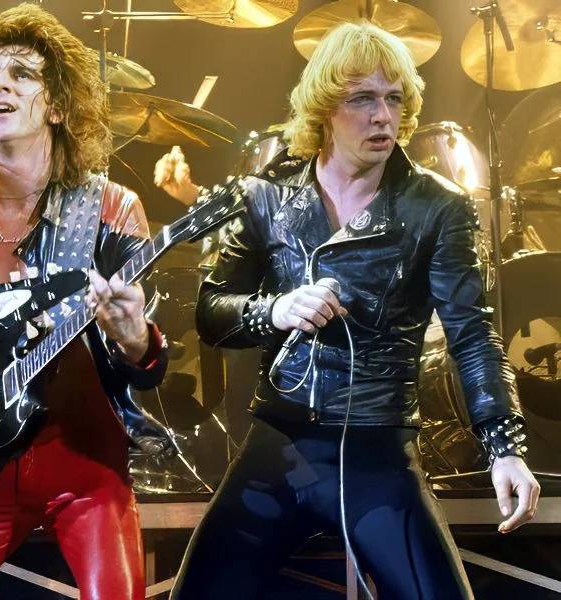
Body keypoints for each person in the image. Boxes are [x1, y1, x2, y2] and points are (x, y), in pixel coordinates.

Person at [154, 21, 540, 600]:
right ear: (324, 108)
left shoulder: (436, 206)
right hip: (278, 440)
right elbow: (210, 313)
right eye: (363, 99)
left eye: (394, 99)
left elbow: (472, 334)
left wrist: (504, 447)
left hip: (376, 446)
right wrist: (274, 310)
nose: (383, 116)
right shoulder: (268, 195)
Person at [0, 4, 172, 599]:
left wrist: (133, 337)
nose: (1, 85)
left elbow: (148, 367)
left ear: (58, 106)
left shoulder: (110, 207)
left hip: (87, 469)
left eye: (22, 74)